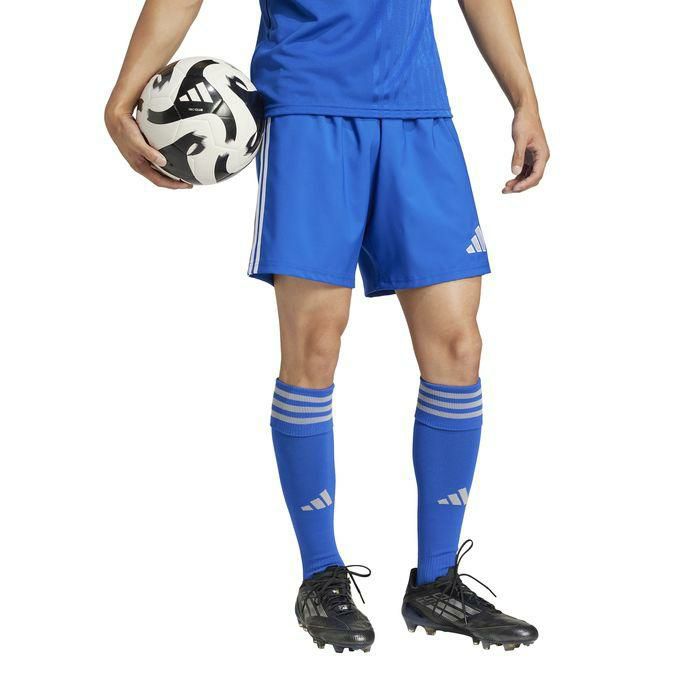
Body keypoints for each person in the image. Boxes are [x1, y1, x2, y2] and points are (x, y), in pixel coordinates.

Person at [106, 0, 549, 654]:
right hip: (308, 112)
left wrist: (524, 99)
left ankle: (436, 581)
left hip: (418, 111)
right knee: (315, 344)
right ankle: (321, 577)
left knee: (459, 347)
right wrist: (123, 97)